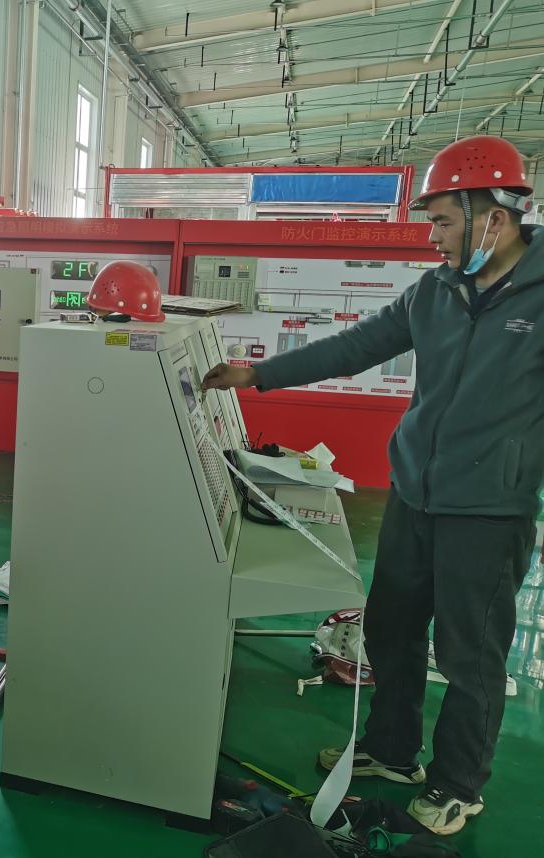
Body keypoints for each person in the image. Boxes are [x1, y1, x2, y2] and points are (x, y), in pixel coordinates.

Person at [202, 135, 544, 836]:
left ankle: (457, 785)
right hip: (414, 494)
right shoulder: (436, 291)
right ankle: (392, 752)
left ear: (493, 217)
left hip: (488, 510)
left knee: (469, 656)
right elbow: (357, 346)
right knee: (391, 631)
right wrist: (257, 374)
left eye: (443, 220)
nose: (432, 235)